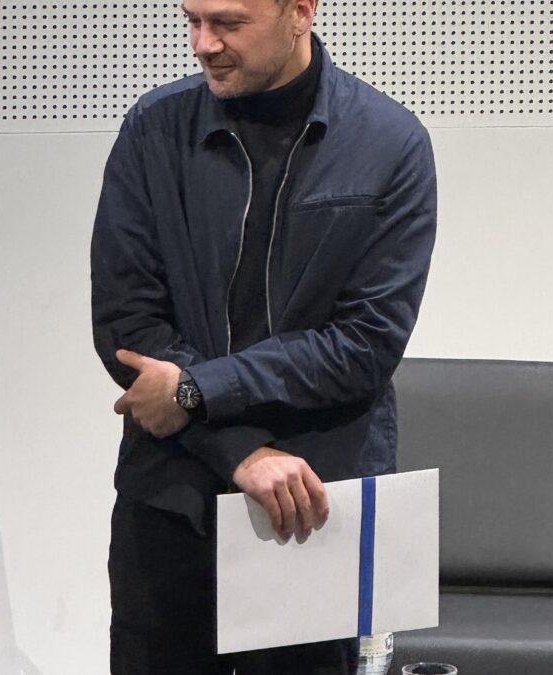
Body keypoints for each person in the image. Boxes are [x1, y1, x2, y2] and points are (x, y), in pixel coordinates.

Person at [91, 0, 436, 672]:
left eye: (227, 22)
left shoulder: (391, 144)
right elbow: (128, 326)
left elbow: (365, 343)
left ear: (300, 11)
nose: (203, 43)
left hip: (311, 511)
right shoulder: (153, 130)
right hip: (170, 503)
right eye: (191, 19)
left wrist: (196, 389)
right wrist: (242, 453)